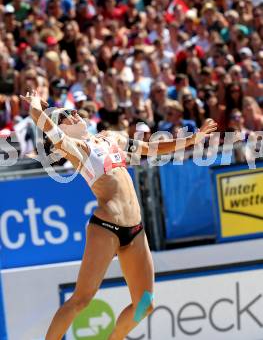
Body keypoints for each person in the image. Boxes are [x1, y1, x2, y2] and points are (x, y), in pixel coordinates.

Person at [20, 90, 217, 340]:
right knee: (81, 299)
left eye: (72, 111)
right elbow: (39, 117)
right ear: (60, 130)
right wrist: (37, 102)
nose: (74, 115)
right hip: (106, 226)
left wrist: (191, 140)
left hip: (135, 230)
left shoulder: (110, 138)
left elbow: (149, 148)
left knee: (144, 304)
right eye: (66, 116)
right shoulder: (75, 148)